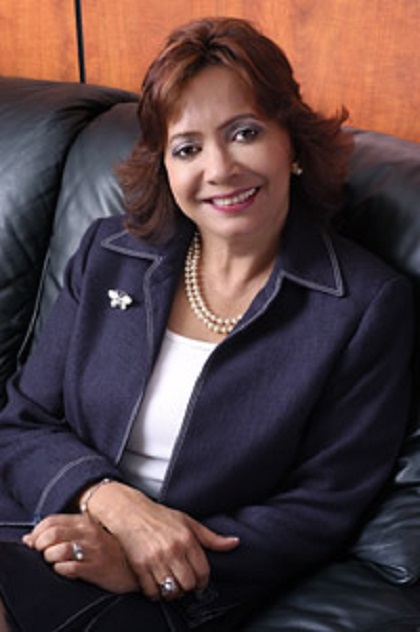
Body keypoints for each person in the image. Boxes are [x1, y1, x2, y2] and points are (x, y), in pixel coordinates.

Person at [0, 15, 414, 632]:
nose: (219, 169)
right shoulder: (109, 252)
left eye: (244, 133)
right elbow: (24, 422)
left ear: (292, 144)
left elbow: (322, 507)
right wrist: (112, 503)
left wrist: (146, 561)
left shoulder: (363, 305)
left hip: (171, 586)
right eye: (188, 148)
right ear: (165, 168)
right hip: (42, 518)